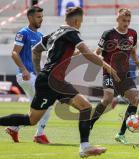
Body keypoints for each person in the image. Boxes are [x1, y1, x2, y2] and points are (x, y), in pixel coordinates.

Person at [0, 7, 120, 157]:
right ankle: (85, 147)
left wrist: (39, 72)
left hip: (50, 80)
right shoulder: (72, 32)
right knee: (85, 107)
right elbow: (87, 53)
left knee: (31, 120)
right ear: (76, 21)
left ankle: (85, 147)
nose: (80, 25)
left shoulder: (55, 33)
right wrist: (107, 66)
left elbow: (35, 51)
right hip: (53, 81)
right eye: (81, 22)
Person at [90, 8, 139, 144]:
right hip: (109, 72)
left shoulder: (133, 34)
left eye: (128, 21)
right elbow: (97, 52)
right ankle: (89, 124)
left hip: (124, 74)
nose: (126, 23)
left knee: (135, 99)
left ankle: (121, 134)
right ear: (117, 19)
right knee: (107, 98)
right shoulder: (108, 34)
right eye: (124, 20)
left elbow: (133, 52)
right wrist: (103, 63)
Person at [7, 6, 52, 144]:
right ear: (30, 18)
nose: (41, 19)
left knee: (37, 107)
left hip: (35, 76)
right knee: (47, 103)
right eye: (38, 17)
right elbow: (14, 53)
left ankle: (14, 127)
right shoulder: (23, 33)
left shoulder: (40, 36)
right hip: (25, 75)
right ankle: (39, 135)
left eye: (42, 17)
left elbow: (48, 53)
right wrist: (24, 69)